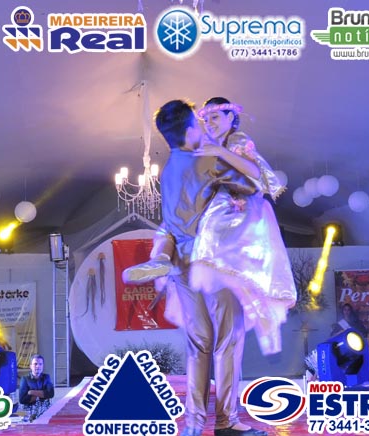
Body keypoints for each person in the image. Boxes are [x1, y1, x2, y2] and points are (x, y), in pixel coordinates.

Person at [125, 97, 296, 355]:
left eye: (215, 117)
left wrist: (220, 153)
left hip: (238, 206)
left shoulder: (236, 140)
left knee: (198, 228)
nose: (209, 123)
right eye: (205, 119)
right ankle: (161, 259)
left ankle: (176, 259)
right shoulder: (207, 146)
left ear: (231, 117)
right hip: (216, 203)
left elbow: (255, 176)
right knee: (170, 225)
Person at [153, 99, 266, 436]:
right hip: (213, 262)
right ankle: (227, 420)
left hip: (181, 266)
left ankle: (194, 422)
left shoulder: (168, 169)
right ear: (191, 130)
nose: (204, 126)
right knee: (228, 340)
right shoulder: (206, 160)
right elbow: (254, 183)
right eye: (200, 122)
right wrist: (225, 154)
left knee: (198, 343)